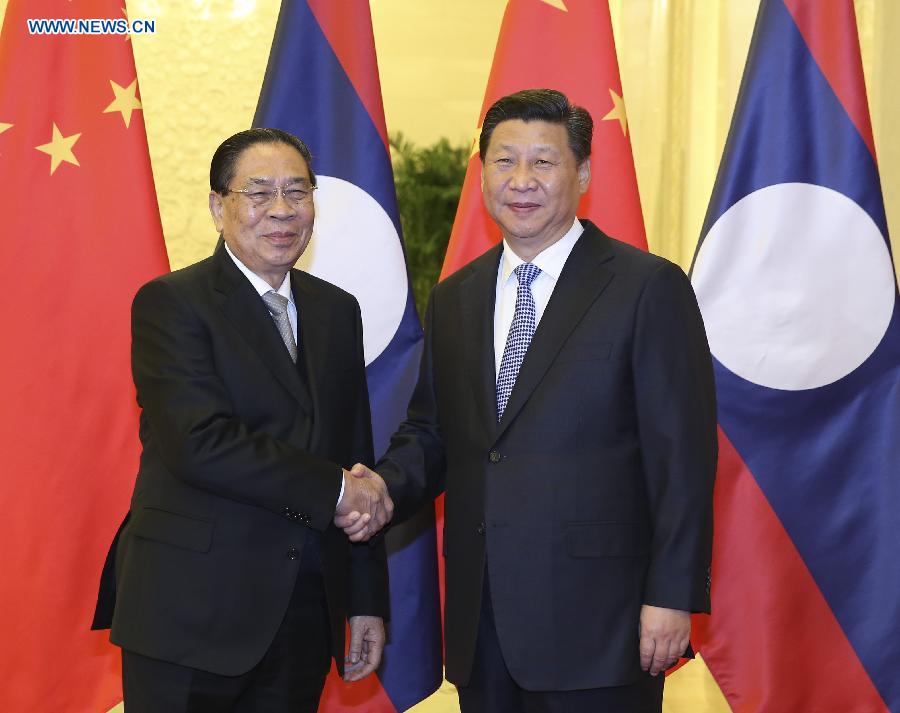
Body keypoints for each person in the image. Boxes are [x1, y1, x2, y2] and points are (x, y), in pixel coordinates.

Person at [339, 89, 717, 712]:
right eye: (504, 160)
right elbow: (433, 433)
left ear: (584, 173)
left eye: (543, 162)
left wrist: (672, 595)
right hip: (483, 623)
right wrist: (380, 488)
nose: (521, 180)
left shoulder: (647, 287)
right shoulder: (457, 296)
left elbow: (683, 457)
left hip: (604, 623)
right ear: (482, 171)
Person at [93, 128, 393, 713]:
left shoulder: (337, 311)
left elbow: (355, 454)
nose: (281, 210)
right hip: (189, 613)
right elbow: (200, 442)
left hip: (302, 612)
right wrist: (337, 489)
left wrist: (362, 598)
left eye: (297, 191)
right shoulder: (173, 304)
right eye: (258, 193)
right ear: (217, 207)